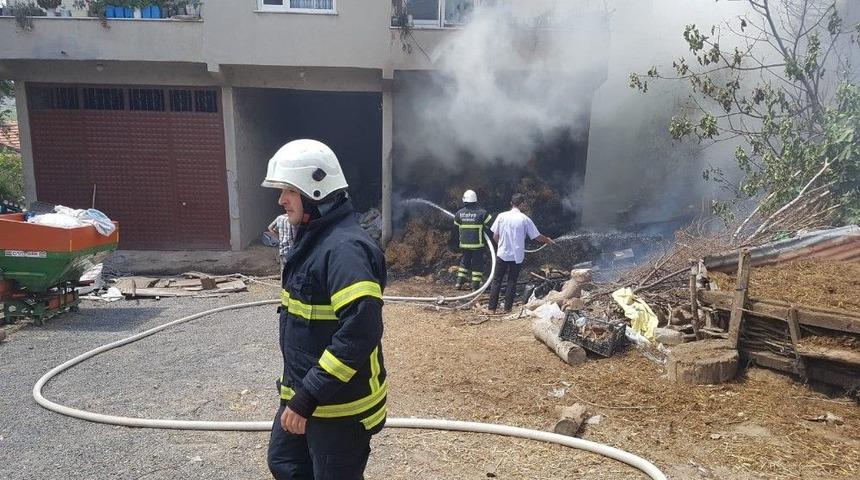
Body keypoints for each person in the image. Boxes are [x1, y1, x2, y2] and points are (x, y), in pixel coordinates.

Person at [262, 139, 388, 480]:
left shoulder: (345, 249)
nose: (281, 199)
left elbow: (360, 332)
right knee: (285, 464)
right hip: (305, 395)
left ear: (315, 191)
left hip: (338, 407)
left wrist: (308, 396)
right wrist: (299, 395)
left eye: (289, 189)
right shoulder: (315, 239)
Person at [487, 193, 555, 313]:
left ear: (511, 203)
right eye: (524, 203)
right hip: (516, 256)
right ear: (522, 204)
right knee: (512, 282)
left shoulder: (501, 216)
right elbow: (537, 236)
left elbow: (495, 236)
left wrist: (502, 245)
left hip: (502, 254)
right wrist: (547, 240)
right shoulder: (524, 219)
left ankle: (491, 309)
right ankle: (507, 308)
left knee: (497, 280)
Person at [453, 189, 492, 290]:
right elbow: (492, 224)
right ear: (475, 200)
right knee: (477, 264)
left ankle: (458, 283)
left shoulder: (459, 213)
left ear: (465, 201)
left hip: (464, 244)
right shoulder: (482, 213)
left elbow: (456, 225)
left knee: (464, 262)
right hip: (477, 244)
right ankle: (475, 286)